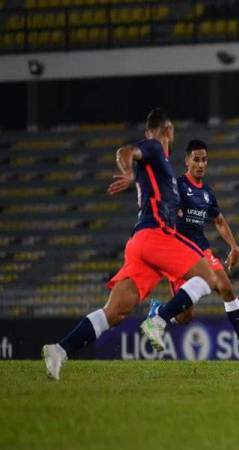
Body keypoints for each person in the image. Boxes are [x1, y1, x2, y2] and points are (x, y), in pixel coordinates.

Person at [42, 108, 217, 380]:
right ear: (168, 130)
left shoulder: (162, 168)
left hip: (140, 245)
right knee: (210, 276)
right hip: (155, 236)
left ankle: (59, 350)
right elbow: (124, 151)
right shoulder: (155, 148)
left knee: (114, 312)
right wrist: (128, 172)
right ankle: (158, 318)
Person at [147, 139, 239, 358]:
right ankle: (160, 313)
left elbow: (219, 221)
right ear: (187, 161)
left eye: (204, 160)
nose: (201, 164)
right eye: (197, 160)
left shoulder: (207, 193)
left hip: (201, 249)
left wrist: (234, 246)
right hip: (179, 252)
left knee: (226, 288)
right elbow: (160, 207)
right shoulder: (177, 186)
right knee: (185, 317)